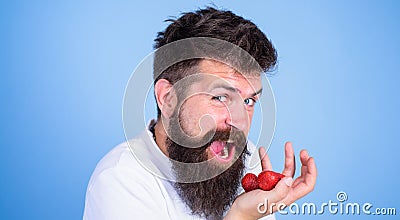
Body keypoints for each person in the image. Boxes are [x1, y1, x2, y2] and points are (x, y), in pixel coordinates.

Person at [83, 7, 317, 220]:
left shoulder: (245, 160)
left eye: (248, 100)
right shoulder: (120, 179)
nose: (239, 122)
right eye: (220, 97)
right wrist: (240, 216)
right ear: (168, 98)